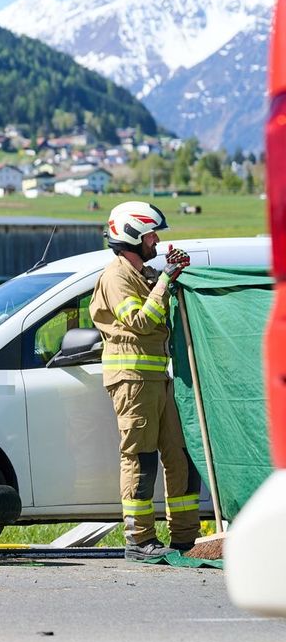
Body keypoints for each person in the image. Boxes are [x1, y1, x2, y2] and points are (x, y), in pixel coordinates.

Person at [89, 201, 203, 561]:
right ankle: (139, 539)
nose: (156, 241)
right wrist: (164, 280)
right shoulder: (116, 278)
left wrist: (170, 275)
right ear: (132, 235)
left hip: (159, 380)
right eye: (151, 235)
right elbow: (139, 321)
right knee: (140, 458)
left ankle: (186, 537)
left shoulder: (142, 275)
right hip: (133, 382)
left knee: (180, 456)